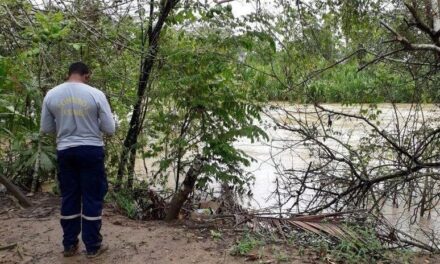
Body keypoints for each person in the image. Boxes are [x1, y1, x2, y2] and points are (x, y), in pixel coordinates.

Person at [40, 62, 116, 258]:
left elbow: (47, 128)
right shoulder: (96, 94)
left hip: (65, 150)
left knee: (70, 196)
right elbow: (110, 128)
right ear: (86, 75)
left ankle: (69, 245)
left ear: (69, 74)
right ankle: (92, 247)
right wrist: (93, 122)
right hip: (91, 150)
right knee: (91, 197)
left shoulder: (52, 94)